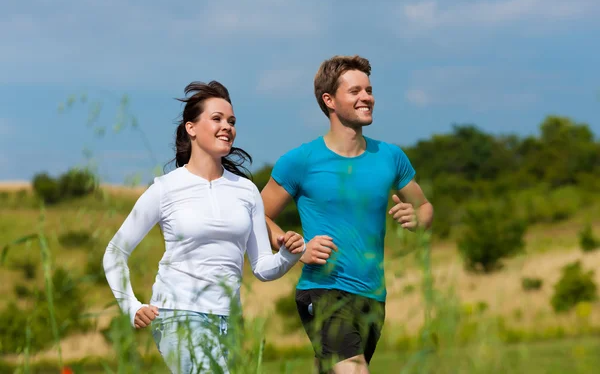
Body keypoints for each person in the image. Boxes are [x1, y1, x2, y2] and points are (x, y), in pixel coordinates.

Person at [103, 80, 305, 374]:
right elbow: (115, 251)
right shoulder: (166, 188)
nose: (228, 127)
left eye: (232, 121)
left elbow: (262, 267)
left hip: (230, 322)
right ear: (191, 128)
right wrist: (130, 306)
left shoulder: (247, 191)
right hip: (179, 315)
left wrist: (288, 255)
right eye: (217, 119)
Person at [261, 55, 434, 373]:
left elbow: (424, 206)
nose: (366, 97)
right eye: (355, 91)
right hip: (324, 289)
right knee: (353, 368)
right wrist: (296, 249)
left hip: (373, 294)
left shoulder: (390, 156)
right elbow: (256, 218)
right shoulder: (301, 160)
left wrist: (418, 218)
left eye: (368, 90)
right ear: (329, 100)